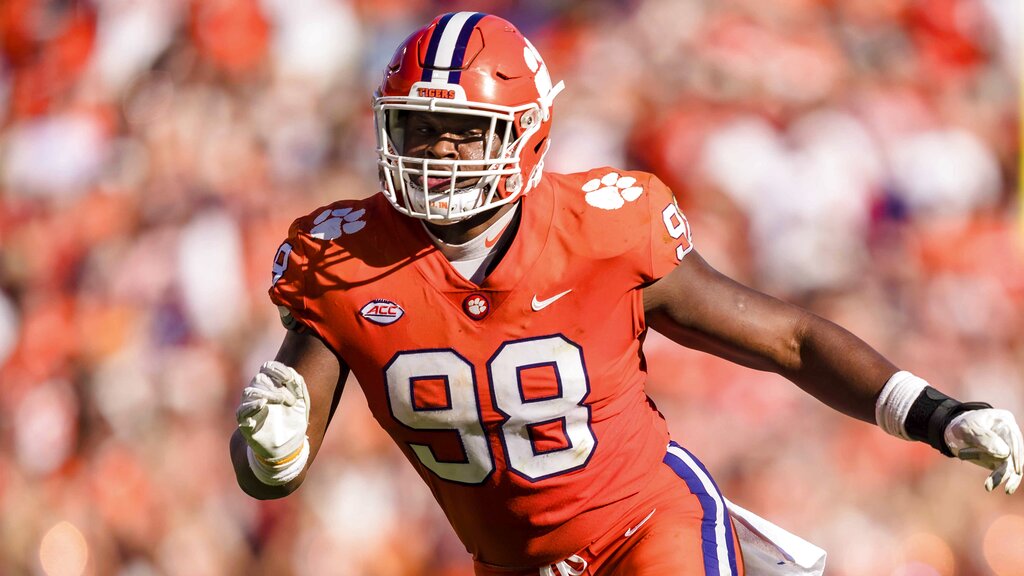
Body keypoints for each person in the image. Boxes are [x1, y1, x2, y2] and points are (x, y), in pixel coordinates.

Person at [230, 12, 1023, 576]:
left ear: (526, 132)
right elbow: (274, 462)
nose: (437, 151)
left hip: (649, 527)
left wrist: (938, 414)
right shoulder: (342, 260)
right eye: (416, 128)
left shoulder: (605, 229)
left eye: (465, 130)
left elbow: (788, 339)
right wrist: (267, 455)